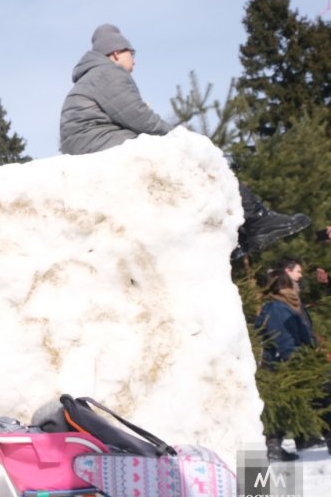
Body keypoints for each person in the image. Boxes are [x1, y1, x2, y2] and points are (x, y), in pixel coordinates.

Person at [60, 23, 311, 258]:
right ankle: (256, 221)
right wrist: (183, 139)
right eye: (131, 52)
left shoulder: (94, 76)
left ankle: (232, 233)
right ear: (115, 52)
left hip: (94, 143)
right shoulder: (107, 73)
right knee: (194, 159)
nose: (134, 60)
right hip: (100, 143)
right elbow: (141, 118)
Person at [255, 267, 319, 462]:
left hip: (289, 360)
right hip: (282, 363)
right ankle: (274, 445)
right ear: (284, 284)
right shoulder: (276, 307)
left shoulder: (287, 304)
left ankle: (304, 437)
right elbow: (282, 338)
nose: (296, 283)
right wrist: (293, 361)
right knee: (281, 404)